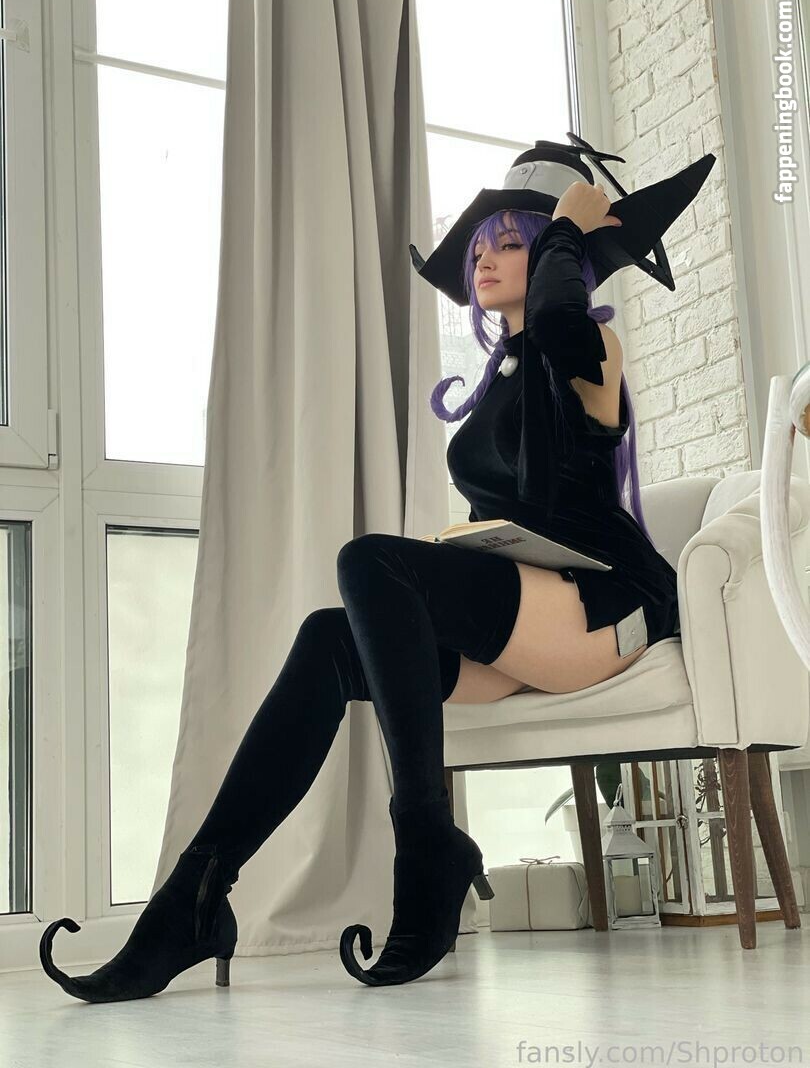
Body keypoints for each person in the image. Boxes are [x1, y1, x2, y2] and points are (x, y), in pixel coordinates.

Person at [38, 137, 711, 1000]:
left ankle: (425, 841)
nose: (485, 259)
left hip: (605, 607)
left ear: (558, 254)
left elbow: (556, 323)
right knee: (331, 638)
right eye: (481, 248)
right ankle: (194, 897)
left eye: (512, 242)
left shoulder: (591, 348)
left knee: (367, 558)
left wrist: (569, 233)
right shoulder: (504, 376)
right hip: (535, 607)